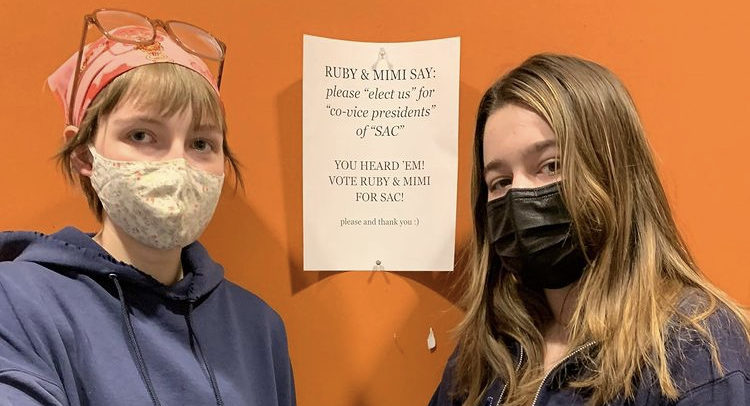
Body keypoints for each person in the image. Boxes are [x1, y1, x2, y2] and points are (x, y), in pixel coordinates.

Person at [0, 9, 295, 406]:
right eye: (141, 135)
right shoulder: (20, 302)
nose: (177, 165)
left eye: (201, 143)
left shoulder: (259, 328)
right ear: (83, 154)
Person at [429, 54, 750, 405]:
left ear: (610, 173)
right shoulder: (487, 350)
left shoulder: (693, 350)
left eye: (551, 165)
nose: (519, 193)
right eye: (500, 181)